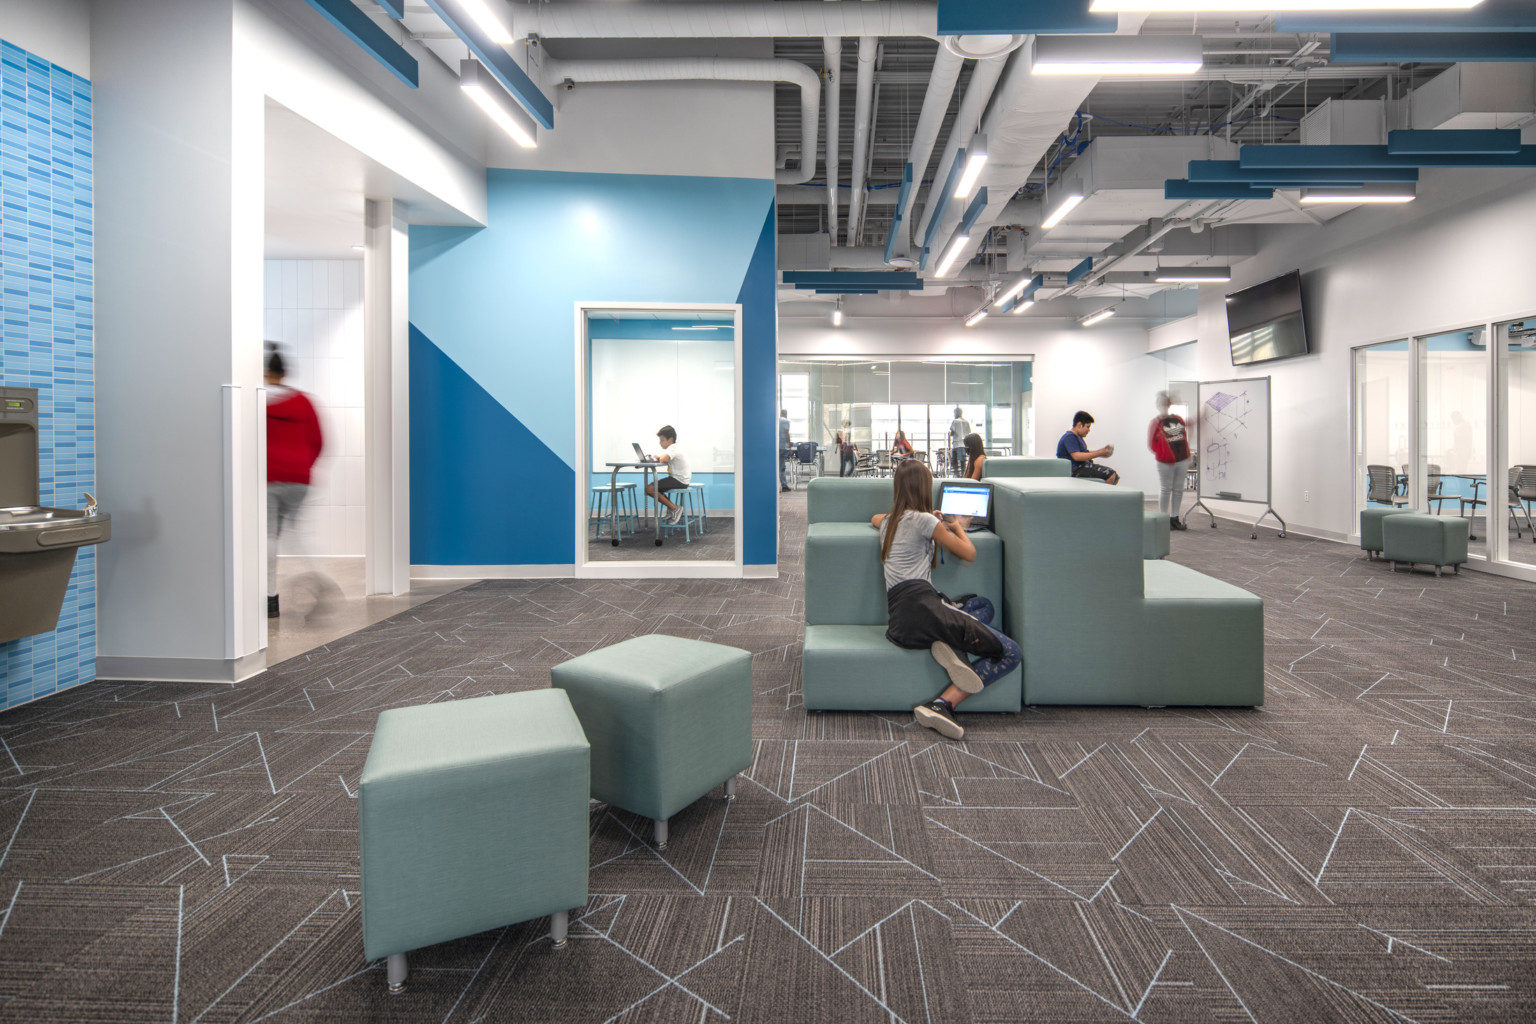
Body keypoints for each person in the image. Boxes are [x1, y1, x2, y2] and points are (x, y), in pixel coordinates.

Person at [872, 460, 1021, 740]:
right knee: (1011, 652)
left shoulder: (889, 522)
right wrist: (956, 525)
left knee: (982, 606)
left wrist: (930, 519)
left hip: (901, 624)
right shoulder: (927, 522)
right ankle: (942, 704)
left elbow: (875, 518)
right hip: (925, 610)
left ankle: (952, 646)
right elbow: (969, 553)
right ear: (925, 488)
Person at [265, 349, 324, 618]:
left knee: (268, 536)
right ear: (285, 373)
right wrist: (302, 466)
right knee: (293, 532)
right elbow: (318, 441)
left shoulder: (256, 403)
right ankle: (316, 575)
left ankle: (270, 598)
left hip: (268, 477)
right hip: (300, 478)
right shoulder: (303, 402)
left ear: (265, 374)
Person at [1147, 391, 1191, 529]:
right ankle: (1163, 518)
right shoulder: (1155, 423)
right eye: (1161, 403)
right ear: (1157, 405)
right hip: (1164, 461)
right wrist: (1163, 453)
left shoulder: (1178, 419)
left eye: (1165, 403)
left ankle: (1175, 518)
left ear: (1169, 404)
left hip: (1182, 459)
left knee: (1178, 489)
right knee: (1166, 489)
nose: (1163, 405)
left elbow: (1183, 435)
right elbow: (1151, 444)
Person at [644, 425, 691, 524]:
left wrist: (660, 457)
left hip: (679, 480)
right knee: (655, 488)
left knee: (650, 489)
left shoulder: (673, 448)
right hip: (680, 479)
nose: (660, 443)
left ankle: (675, 508)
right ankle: (671, 508)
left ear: (671, 439)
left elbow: (663, 459)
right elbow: (664, 457)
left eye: (662, 440)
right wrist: (660, 457)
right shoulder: (674, 448)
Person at [1056, 411, 1119, 484]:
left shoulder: (1078, 438)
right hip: (1074, 469)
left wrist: (1102, 451)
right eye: (1088, 427)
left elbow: (1085, 453)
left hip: (1082, 466)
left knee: (1115, 477)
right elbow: (1077, 456)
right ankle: (1102, 495)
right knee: (1110, 475)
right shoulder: (1069, 437)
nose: (1089, 430)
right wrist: (1100, 453)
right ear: (1079, 425)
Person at [948, 406, 971, 476]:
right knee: (962, 462)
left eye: (954, 413)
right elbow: (969, 432)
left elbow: (952, 433)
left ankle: (956, 475)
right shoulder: (966, 422)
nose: (954, 415)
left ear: (957, 413)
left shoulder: (955, 421)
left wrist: (950, 434)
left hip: (957, 444)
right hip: (964, 445)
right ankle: (963, 475)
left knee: (954, 461)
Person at [779, 408, 793, 492]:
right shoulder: (786, 421)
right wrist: (790, 447)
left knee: (775, 467)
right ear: (786, 414)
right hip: (782, 447)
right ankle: (784, 485)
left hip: (774, 447)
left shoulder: (775, 421)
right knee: (782, 467)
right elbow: (787, 433)